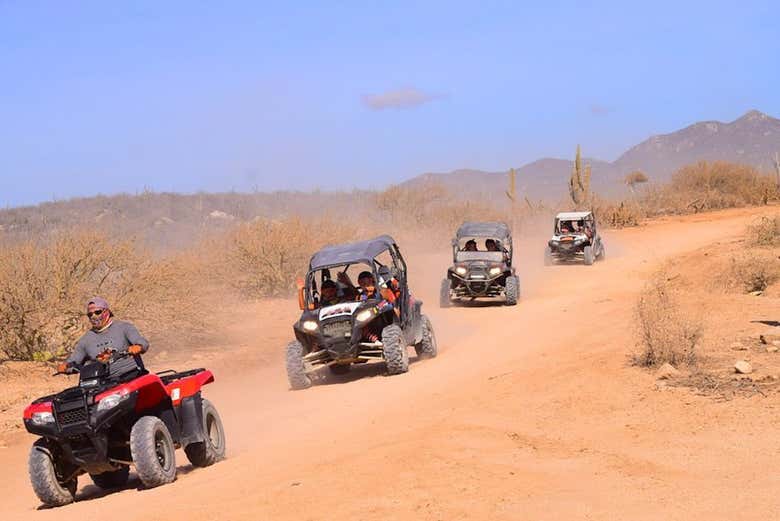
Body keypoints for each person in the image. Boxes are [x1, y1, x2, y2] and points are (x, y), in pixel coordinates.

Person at [57, 297, 149, 373]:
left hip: (132, 376)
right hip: (103, 383)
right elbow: (74, 360)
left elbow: (142, 342)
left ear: (107, 312)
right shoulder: (85, 340)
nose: (93, 316)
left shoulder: (124, 327)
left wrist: (138, 347)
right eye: (90, 314)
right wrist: (64, 366)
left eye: (97, 312)